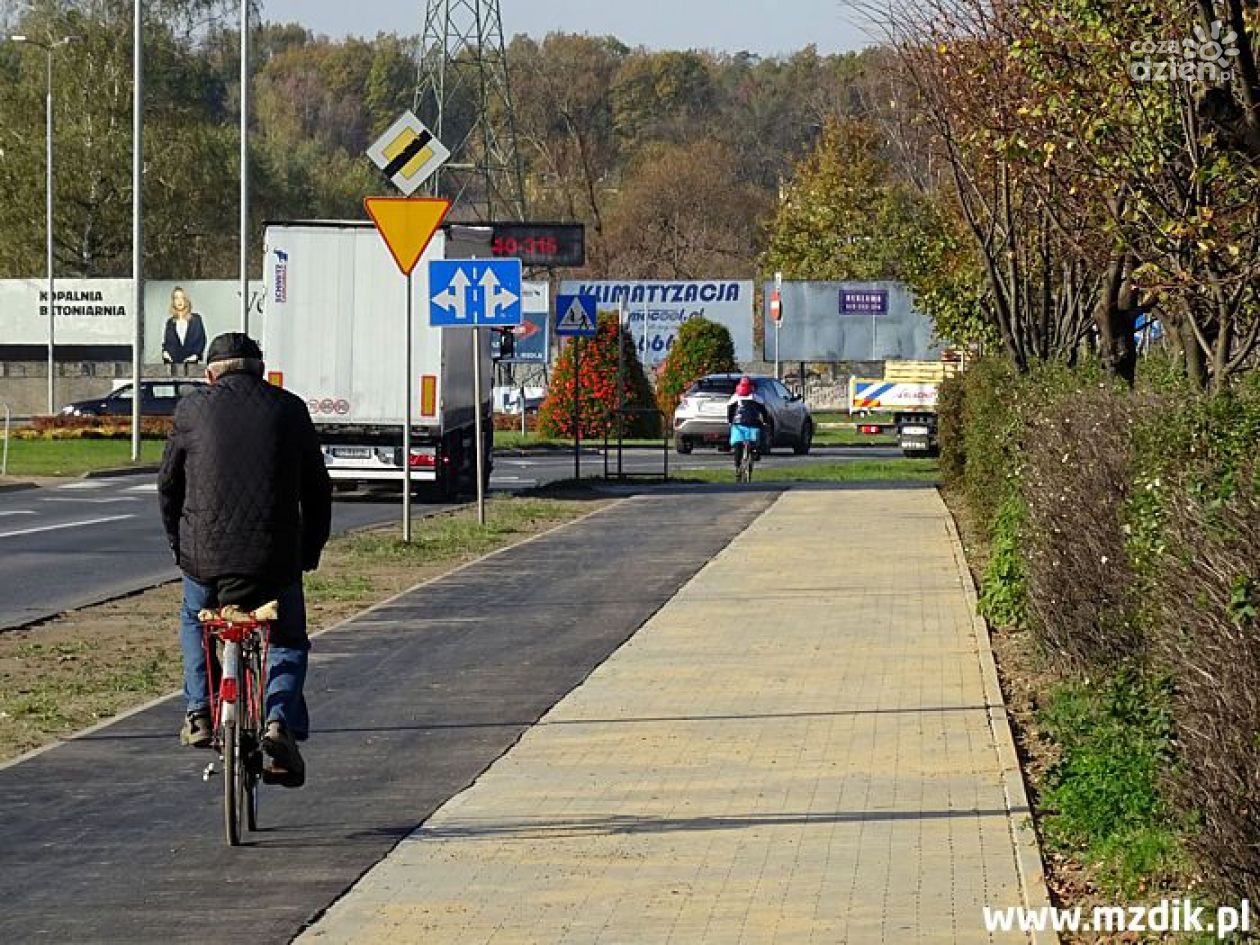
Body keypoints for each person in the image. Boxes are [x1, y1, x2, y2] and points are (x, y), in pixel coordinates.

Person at [158, 332, 331, 788]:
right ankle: (278, 722)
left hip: (205, 560)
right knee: (288, 639)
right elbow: (317, 489)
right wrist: (308, 551)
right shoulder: (289, 408)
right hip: (276, 559)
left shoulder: (191, 409)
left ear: (210, 374)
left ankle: (198, 711)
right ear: (261, 370)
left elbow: (168, 487)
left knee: (195, 620)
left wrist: (180, 546)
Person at [726, 375, 770, 471]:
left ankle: (737, 466)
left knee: (737, 444)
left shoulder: (735, 398)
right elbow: (764, 411)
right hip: (753, 423)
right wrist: (765, 422)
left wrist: (730, 421)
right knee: (759, 434)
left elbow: (730, 411)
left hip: (738, 423)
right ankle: (756, 452)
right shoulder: (756, 397)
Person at [161, 287, 208, 365]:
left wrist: (195, 355)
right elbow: (167, 344)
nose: (179, 301)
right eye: (176, 298)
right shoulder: (170, 322)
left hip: (191, 364)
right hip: (173, 365)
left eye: (182, 297)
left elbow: (201, 340)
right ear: (173, 302)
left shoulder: (196, 319)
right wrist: (165, 353)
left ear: (186, 300)